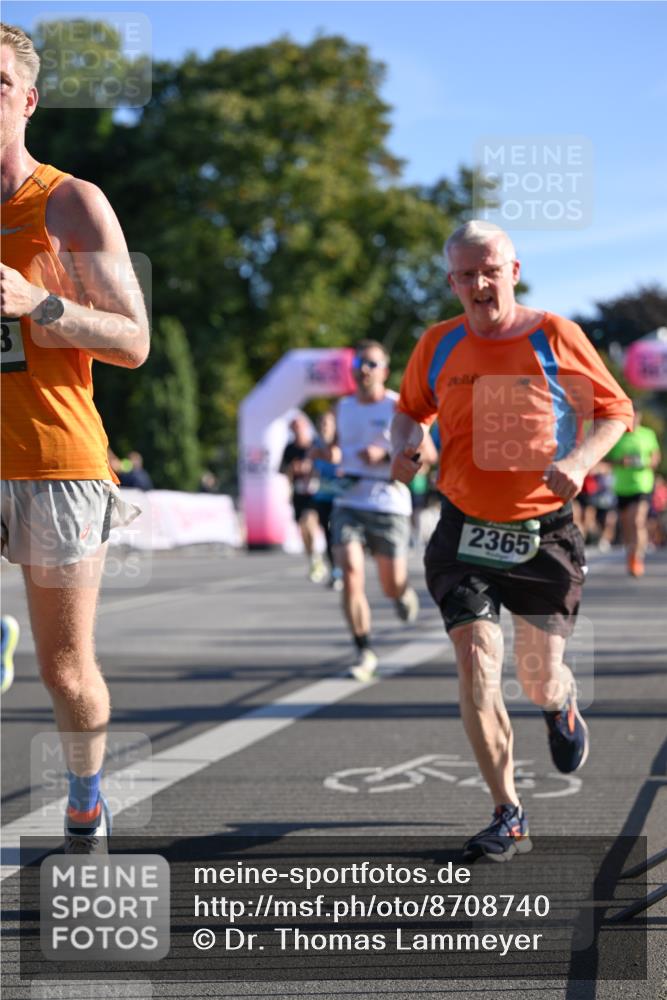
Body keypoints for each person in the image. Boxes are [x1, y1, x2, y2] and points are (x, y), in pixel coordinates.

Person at [391, 221, 633, 862]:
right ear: (451, 282)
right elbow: (409, 408)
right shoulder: (438, 344)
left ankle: (561, 703)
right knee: (475, 665)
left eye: (490, 270)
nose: (479, 284)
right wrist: (405, 444)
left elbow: (615, 412)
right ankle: (508, 813)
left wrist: (580, 461)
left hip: (541, 534)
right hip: (463, 530)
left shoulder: (553, 336)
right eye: (466, 274)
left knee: (537, 678)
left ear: (514, 270)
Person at [0, 25, 149, 851]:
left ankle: (86, 791)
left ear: (26, 100)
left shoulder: (68, 202)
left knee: (66, 675)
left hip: (54, 461)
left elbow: (132, 341)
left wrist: (39, 305)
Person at [332, 339, 421, 682]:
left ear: (385, 370)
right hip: (348, 500)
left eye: (371, 364)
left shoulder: (398, 405)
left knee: (390, 584)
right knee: (351, 573)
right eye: (359, 364)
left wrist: (384, 456)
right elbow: (332, 450)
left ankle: (402, 593)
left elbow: (425, 456)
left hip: (389, 502)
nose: (363, 370)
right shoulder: (342, 407)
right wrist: (326, 458)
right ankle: (363, 649)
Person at [607, 405, 661, 576]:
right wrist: (621, 462)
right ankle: (631, 553)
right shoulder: (619, 435)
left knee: (637, 520)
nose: (634, 419)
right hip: (621, 486)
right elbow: (609, 459)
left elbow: (655, 458)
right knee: (626, 524)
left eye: (636, 416)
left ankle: (637, 557)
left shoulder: (647, 434)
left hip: (642, 485)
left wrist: (645, 463)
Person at [280, 414, 326, 582]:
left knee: (309, 522)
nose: (297, 430)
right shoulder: (289, 449)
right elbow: (283, 471)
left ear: (306, 427)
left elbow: (326, 467)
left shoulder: (315, 445)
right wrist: (293, 469)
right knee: (303, 529)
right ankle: (313, 558)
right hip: (298, 493)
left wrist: (311, 468)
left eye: (300, 426)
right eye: (294, 427)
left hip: (316, 493)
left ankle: (318, 557)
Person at [308, 409, 344, 590]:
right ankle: (336, 571)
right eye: (321, 424)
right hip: (322, 496)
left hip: (342, 497)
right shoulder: (314, 445)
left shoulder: (341, 443)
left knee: (341, 535)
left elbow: (341, 462)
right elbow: (312, 470)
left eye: (327, 424)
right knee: (329, 536)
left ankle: (345, 568)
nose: (323, 427)